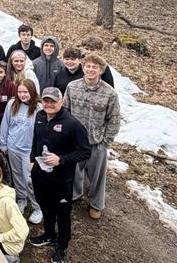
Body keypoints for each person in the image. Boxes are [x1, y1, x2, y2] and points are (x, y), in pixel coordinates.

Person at [29, 87, 91, 263]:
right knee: (46, 207)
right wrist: (32, 159)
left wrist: (61, 159)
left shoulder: (72, 124)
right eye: (46, 100)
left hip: (61, 179)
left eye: (53, 101)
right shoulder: (40, 116)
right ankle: (49, 234)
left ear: (61, 102)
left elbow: (85, 151)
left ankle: (62, 246)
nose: (48, 104)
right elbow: (36, 139)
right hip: (40, 175)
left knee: (63, 214)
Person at [64, 54, 120, 220]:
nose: (90, 69)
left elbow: (114, 119)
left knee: (97, 177)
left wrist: (106, 141)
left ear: (101, 70)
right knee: (74, 171)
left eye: (95, 67)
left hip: (96, 143)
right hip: (75, 142)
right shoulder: (72, 87)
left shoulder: (109, 93)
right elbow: (65, 111)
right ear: (83, 68)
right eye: (88, 66)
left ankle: (96, 204)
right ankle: (76, 194)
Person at [0, 79, 42, 223]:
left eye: (26, 92)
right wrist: (3, 144)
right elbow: (5, 124)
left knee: (30, 179)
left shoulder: (39, 108)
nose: (22, 95)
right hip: (13, 147)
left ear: (32, 92)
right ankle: (21, 199)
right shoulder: (12, 104)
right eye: (20, 92)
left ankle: (37, 207)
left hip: (29, 151)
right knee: (17, 175)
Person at [0, 162, 29, 263]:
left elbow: (22, 231)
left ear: (0, 177)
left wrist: (0, 237)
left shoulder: (7, 202)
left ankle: (12, 259)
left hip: (8, 245)